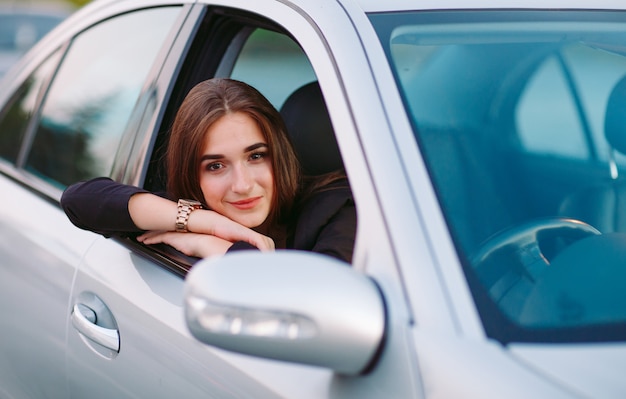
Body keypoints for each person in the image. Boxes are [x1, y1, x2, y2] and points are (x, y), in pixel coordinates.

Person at [61, 78, 356, 263]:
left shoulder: (337, 210)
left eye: (256, 156)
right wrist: (205, 223)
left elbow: (310, 305)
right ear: (192, 174)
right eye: (215, 166)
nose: (242, 185)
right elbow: (79, 200)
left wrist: (213, 247)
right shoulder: (191, 210)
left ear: (278, 153)